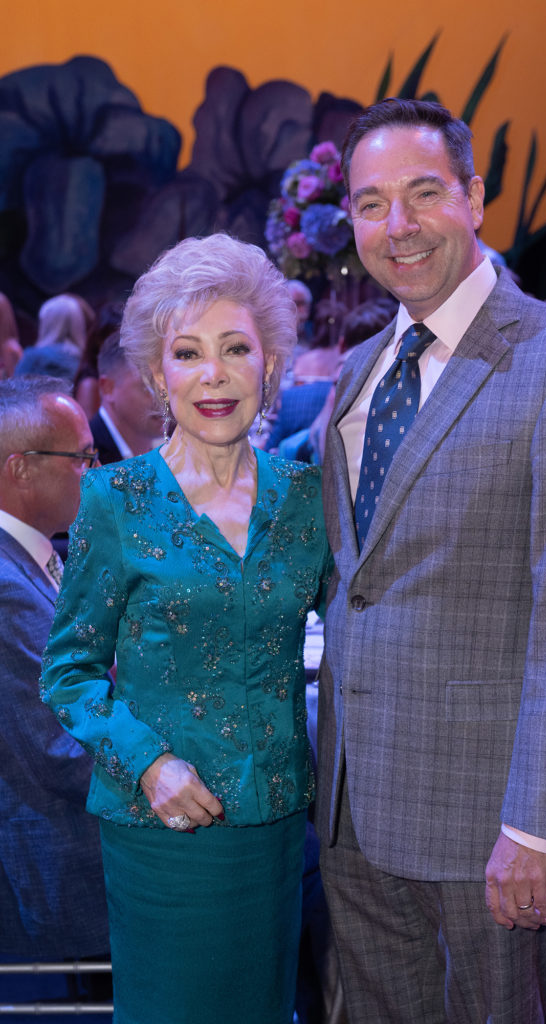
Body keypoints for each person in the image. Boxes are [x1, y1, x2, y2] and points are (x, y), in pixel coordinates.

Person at [316, 98, 546, 1023]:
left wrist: (536, 828)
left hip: (484, 823)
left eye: (424, 194)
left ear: (475, 198)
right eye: (371, 203)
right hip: (352, 809)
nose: (398, 225)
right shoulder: (358, 374)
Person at [40, 233, 333, 1024]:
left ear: (270, 367)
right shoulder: (113, 500)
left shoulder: (306, 500)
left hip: (273, 825)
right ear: (156, 374)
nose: (214, 375)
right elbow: (67, 669)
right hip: (163, 828)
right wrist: (148, 764)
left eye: (236, 349)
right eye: (189, 353)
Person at [0, 377, 109, 967]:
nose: (96, 472)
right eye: (83, 458)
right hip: (64, 862)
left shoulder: (33, 557)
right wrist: (176, 763)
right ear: (20, 469)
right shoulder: (4, 588)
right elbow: (60, 752)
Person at [89, 330, 163, 463]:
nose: (163, 399)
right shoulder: (85, 459)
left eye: (166, 385)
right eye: (148, 387)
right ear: (108, 389)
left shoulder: (171, 451)